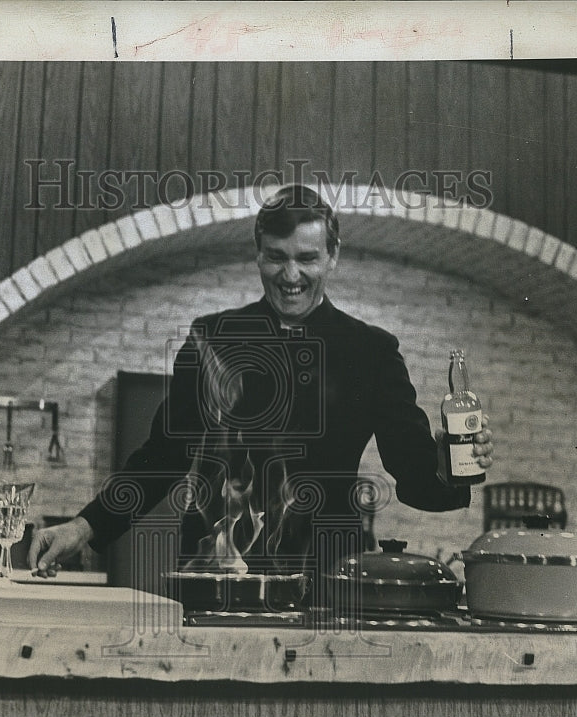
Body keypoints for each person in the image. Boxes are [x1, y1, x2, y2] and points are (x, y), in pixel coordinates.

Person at [29, 184, 494, 576]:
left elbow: (414, 474)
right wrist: (84, 527)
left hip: (327, 577)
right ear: (257, 255)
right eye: (276, 257)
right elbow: (162, 456)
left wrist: (448, 464)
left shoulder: (371, 351)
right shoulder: (212, 338)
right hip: (215, 571)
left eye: (307, 258)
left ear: (333, 256)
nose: (291, 275)